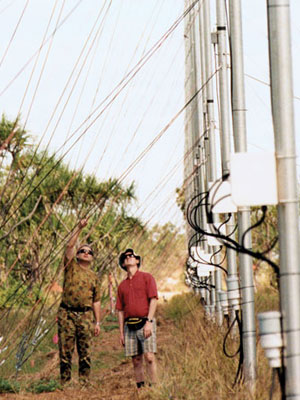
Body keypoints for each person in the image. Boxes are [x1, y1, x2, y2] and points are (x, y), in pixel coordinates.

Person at [57, 219, 101, 385]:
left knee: (85, 351)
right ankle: (65, 383)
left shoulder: (94, 277)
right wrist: (79, 228)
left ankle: (84, 382)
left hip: (85, 316)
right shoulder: (71, 267)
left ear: (92, 258)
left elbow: (96, 301)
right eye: (82, 250)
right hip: (66, 313)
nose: (85, 253)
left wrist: (98, 322)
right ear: (77, 255)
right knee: (65, 351)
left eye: (89, 252)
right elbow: (69, 247)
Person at [116, 248, 158, 389]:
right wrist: (121, 332)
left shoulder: (147, 278)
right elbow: (120, 310)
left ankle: (155, 387)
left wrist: (149, 322)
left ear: (137, 260)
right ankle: (140, 387)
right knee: (136, 359)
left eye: (131, 256)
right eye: (125, 257)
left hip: (145, 322)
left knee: (149, 357)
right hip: (130, 326)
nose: (128, 257)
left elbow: (153, 299)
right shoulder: (122, 286)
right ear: (123, 263)